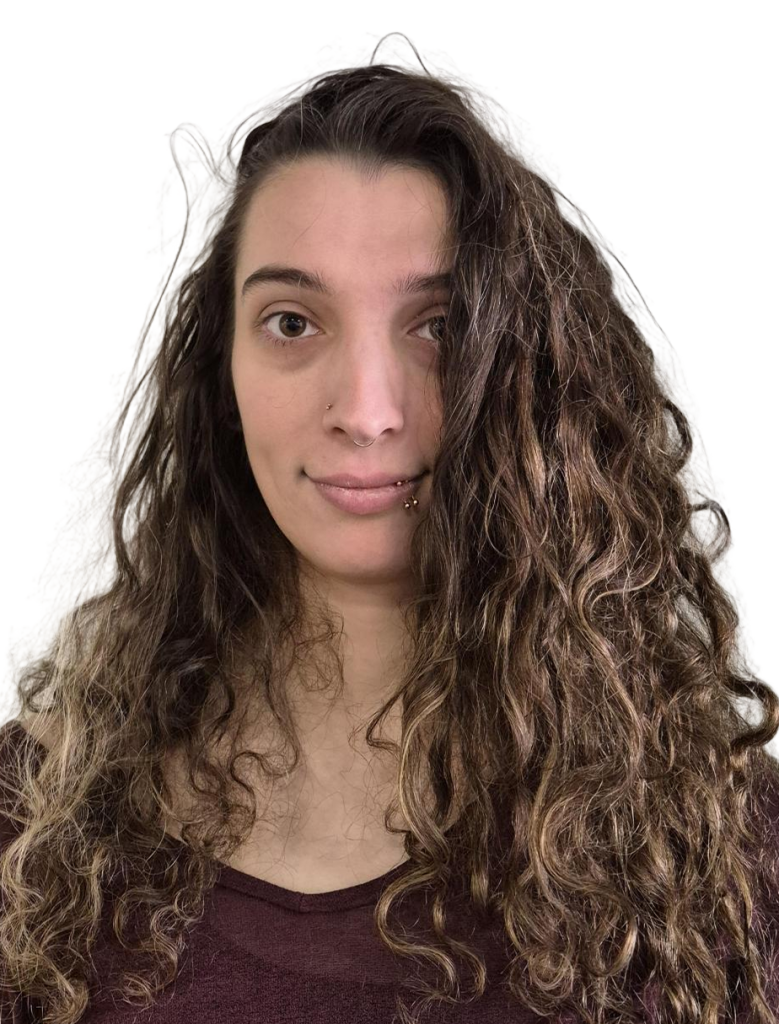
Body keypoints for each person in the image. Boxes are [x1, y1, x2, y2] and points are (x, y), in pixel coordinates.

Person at [1, 39, 778, 1024]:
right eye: (292, 322)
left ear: (529, 374)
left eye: (438, 327)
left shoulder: (713, 843)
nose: (366, 412)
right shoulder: (33, 832)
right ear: (221, 375)